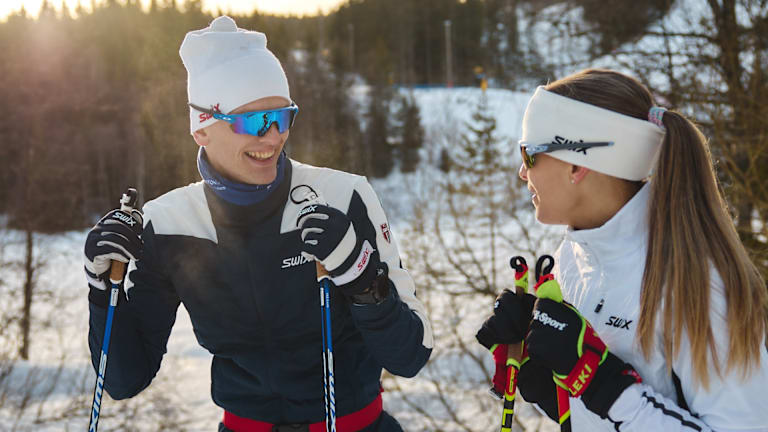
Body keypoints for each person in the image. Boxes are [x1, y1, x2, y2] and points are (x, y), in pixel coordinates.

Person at [84, 16, 432, 432]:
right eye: (252, 121)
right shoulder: (170, 223)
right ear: (203, 128)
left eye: (282, 117)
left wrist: (361, 276)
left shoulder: (343, 196)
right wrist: (103, 290)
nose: (272, 137)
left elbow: (411, 354)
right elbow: (124, 380)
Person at [476, 69, 768, 431]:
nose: (523, 172)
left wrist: (600, 383)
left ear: (577, 163)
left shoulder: (692, 281)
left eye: (529, 154)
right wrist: (543, 374)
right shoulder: (574, 257)